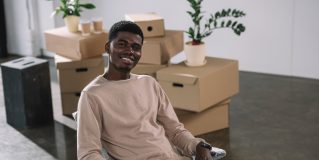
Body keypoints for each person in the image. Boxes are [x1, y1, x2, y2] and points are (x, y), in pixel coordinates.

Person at [76, 20, 226, 160]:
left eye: (136, 47)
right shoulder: (92, 95)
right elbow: (88, 154)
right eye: (122, 44)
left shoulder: (149, 83)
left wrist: (198, 145)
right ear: (108, 47)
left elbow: (175, 130)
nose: (130, 51)